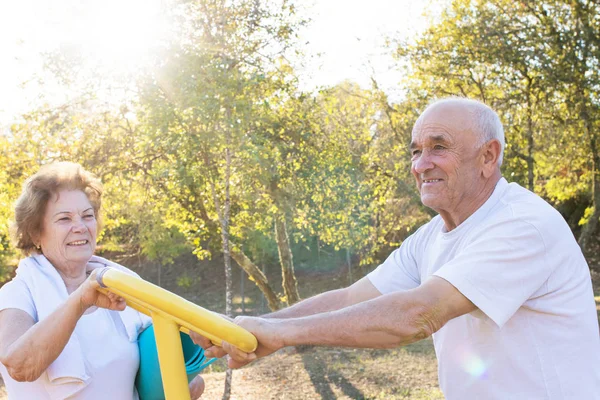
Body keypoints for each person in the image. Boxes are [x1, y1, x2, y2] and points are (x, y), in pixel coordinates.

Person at [192, 98, 600, 399]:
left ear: (488, 156)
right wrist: (250, 327)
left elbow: (417, 315)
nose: (421, 164)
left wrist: (280, 333)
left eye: (439, 147)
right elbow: (352, 298)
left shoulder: (523, 225)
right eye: (416, 151)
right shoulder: (431, 237)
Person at [0, 162, 204, 399]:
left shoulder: (121, 283)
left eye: (88, 216)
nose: (80, 227)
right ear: (35, 233)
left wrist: (180, 383)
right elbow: (19, 366)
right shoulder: (17, 293)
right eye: (64, 219)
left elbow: (186, 328)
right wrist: (80, 300)